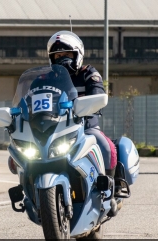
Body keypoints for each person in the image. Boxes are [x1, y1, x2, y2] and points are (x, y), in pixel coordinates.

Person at [47, 30, 117, 178]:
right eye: (58, 56)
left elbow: (98, 93)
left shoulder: (88, 73)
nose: (62, 59)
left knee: (107, 147)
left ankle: (110, 186)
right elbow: (32, 97)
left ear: (77, 55)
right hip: (55, 131)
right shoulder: (47, 79)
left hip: (86, 128)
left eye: (67, 55)